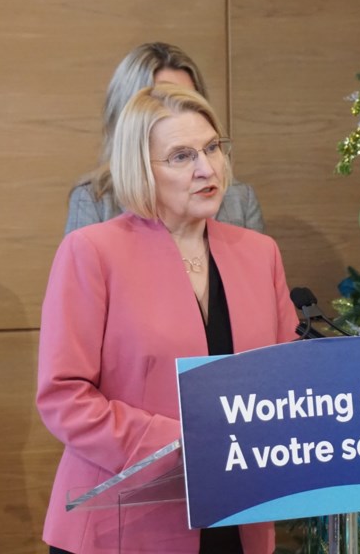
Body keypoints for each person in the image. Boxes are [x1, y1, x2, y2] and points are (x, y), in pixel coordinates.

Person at [38, 84, 299, 554]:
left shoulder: (260, 254)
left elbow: (287, 383)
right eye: (181, 156)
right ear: (141, 169)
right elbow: (64, 397)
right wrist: (180, 445)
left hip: (238, 516)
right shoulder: (93, 252)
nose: (207, 169)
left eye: (212, 148)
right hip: (126, 522)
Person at [65, 41, 265, 235]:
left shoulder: (239, 199)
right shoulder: (94, 200)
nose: (179, 108)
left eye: (187, 98)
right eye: (160, 98)